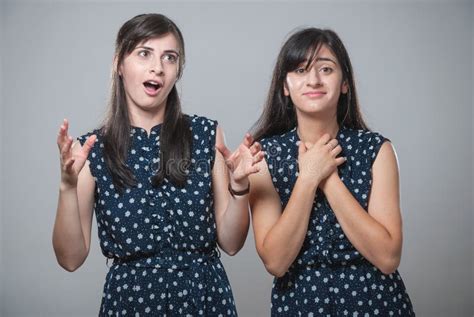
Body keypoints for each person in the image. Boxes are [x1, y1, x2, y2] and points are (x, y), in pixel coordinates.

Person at [53, 13, 263, 316]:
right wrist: (67, 187)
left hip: (204, 299)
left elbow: (230, 243)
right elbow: (70, 259)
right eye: (144, 53)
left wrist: (240, 187)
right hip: (130, 303)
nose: (157, 67)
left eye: (170, 58)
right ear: (118, 64)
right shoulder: (91, 150)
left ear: (178, 71)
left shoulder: (206, 135)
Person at [249, 28, 415, 316]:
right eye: (300, 70)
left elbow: (388, 258)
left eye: (326, 69)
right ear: (285, 86)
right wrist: (308, 177)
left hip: (375, 303)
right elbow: (275, 262)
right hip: (300, 305)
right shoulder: (264, 157)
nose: (313, 80)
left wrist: (329, 179)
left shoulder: (376, 150)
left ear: (345, 84)